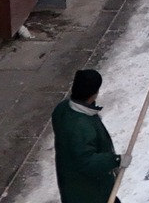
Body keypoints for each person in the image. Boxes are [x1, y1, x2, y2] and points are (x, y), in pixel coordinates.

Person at [52, 69, 122, 203]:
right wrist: (115, 160)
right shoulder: (81, 126)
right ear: (93, 94)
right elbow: (86, 162)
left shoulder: (62, 109)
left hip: (72, 184)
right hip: (90, 192)